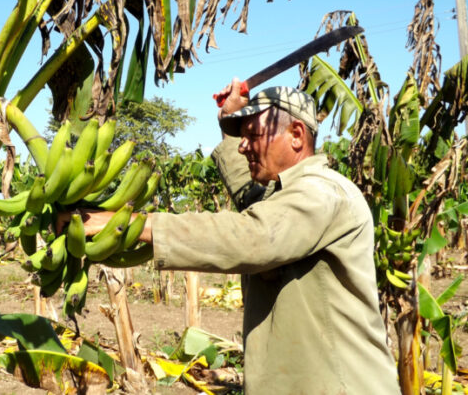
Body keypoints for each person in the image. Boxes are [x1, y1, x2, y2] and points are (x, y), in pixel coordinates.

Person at [77, 78, 400, 394]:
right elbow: (255, 202)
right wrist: (229, 119)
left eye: (252, 135)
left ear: (297, 135)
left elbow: (253, 236)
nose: (243, 146)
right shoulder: (284, 198)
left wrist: (130, 224)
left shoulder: (322, 192)